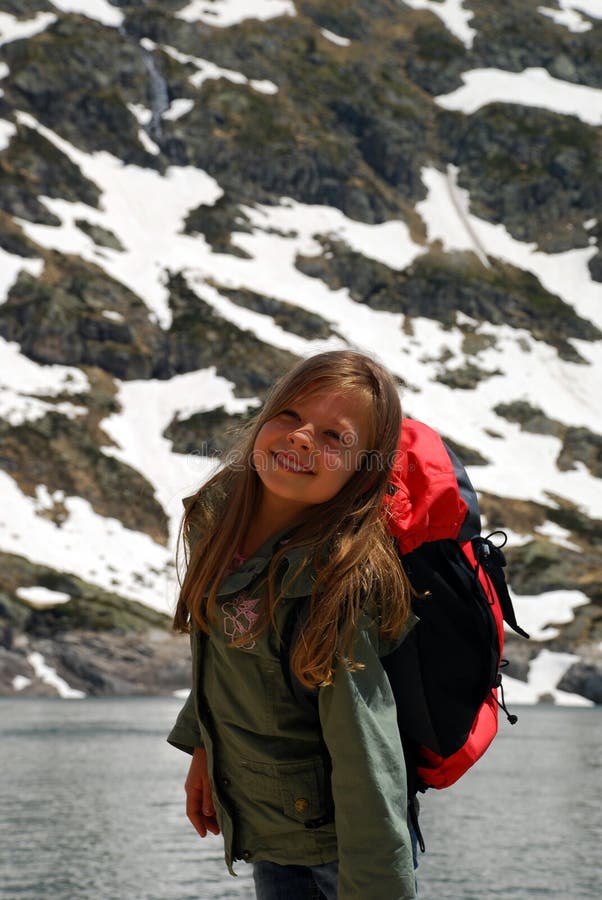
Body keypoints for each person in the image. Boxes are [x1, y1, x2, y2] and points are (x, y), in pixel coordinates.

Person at [168, 349, 417, 899]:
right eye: (290, 415)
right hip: (271, 832)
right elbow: (230, 654)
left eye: (335, 438)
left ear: (363, 471)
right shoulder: (220, 520)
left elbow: (368, 762)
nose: (303, 438)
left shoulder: (337, 580)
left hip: (338, 852)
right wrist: (205, 746)